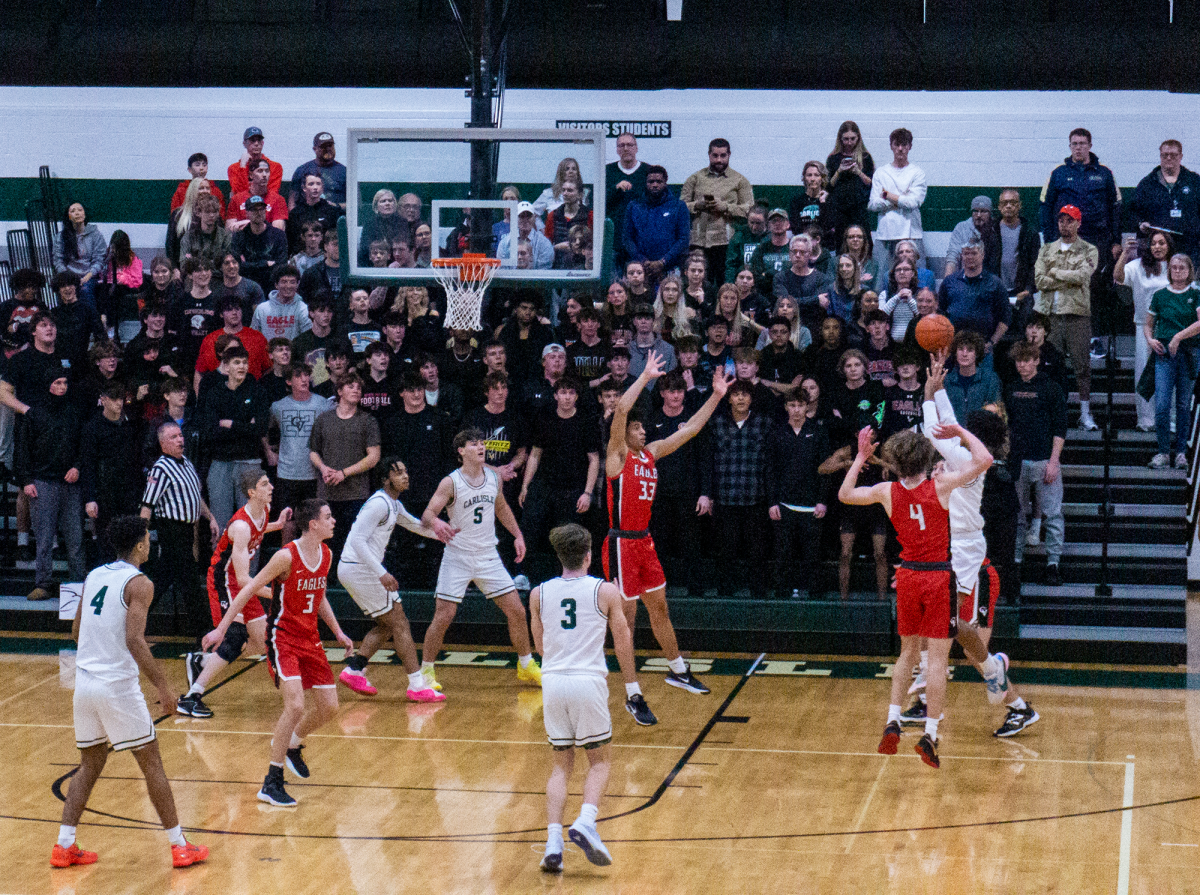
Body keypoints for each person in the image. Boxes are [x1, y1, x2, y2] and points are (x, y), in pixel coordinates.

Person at [56, 515, 208, 869]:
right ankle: (179, 845)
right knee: (151, 762)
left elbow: (77, 631)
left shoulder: (94, 575)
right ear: (140, 545)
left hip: (84, 684)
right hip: (116, 687)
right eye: (147, 539)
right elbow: (134, 640)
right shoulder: (140, 583)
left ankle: (64, 845)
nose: (150, 543)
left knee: (90, 763)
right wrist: (164, 687)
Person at [841, 423, 993, 769]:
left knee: (907, 654)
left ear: (895, 464)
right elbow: (985, 459)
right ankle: (930, 734)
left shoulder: (886, 491)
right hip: (938, 576)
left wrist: (861, 457)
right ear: (927, 459)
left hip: (907, 576)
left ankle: (893, 719)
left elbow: (845, 494)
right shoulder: (940, 486)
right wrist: (959, 430)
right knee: (937, 660)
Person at [908, 353, 1040, 737]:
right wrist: (939, 389)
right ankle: (1011, 700)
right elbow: (947, 425)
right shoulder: (967, 452)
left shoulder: (965, 456)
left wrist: (929, 394)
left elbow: (937, 429)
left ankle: (931, 702)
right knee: (960, 631)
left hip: (962, 549)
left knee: (944, 630)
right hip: (952, 547)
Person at [204, 499, 353, 807]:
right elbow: (247, 588)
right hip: (282, 637)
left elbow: (319, 595)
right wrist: (222, 629)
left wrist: (337, 631)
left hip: (310, 637)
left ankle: (293, 744)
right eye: (328, 516)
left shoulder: (325, 554)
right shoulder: (286, 556)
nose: (334, 521)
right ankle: (272, 781)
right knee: (296, 706)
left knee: (329, 707)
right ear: (313, 524)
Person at [604, 352, 729, 715]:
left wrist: (716, 396)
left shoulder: (651, 455)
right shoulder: (618, 456)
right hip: (621, 542)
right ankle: (632, 693)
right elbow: (621, 411)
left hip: (644, 540)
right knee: (626, 620)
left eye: (644, 429)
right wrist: (644, 376)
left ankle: (678, 670)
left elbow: (690, 429)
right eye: (638, 429)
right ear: (625, 434)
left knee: (659, 607)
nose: (645, 431)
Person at [531, 522, 639, 873]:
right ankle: (586, 821)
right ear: (589, 556)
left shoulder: (538, 593)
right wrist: (631, 686)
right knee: (600, 762)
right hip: (587, 681)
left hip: (552, 682)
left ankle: (553, 843)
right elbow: (623, 640)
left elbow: (540, 646)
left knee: (561, 765)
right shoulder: (606, 591)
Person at [419, 429, 543, 693]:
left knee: (517, 611)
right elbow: (427, 514)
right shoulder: (450, 482)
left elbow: (501, 508)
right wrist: (437, 521)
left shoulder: (493, 477)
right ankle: (426, 671)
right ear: (461, 451)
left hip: (488, 555)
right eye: (473, 444)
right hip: (458, 555)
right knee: (444, 615)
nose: (480, 447)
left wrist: (518, 534)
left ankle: (525, 664)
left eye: (482, 443)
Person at [178, 471, 290, 718]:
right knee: (236, 637)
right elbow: (242, 580)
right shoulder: (240, 526)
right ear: (251, 492)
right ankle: (191, 697)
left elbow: (257, 531)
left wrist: (278, 525)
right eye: (264, 484)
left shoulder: (264, 510)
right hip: (224, 582)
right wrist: (277, 594)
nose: (270, 486)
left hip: (241, 582)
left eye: (269, 482)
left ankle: (203, 663)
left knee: (262, 642)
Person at [336, 457, 449, 702]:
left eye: (406, 471)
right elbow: (357, 540)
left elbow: (414, 525)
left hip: (357, 569)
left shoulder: (392, 505)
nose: (405, 476)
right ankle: (417, 686)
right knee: (400, 622)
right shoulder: (379, 504)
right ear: (386, 479)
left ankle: (355, 668)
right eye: (398, 473)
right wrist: (381, 573)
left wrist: (444, 535)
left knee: (387, 624)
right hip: (359, 568)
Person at [140, 422, 220, 635]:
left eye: (180, 435)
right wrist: (141, 535)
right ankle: (203, 632)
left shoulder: (186, 462)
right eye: (174, 437)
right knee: (190, 581)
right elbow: (147, 503)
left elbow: (196, 496)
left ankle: (132, 619)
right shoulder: (160, 468)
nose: (180, 440)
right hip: (172, 529)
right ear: (163, 443)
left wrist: (210, 517)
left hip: (188, 530)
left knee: (162, 579)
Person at [15, 374, 85, 601]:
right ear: (48, 385)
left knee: (75, 538)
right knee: (44, 539)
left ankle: (78, 585)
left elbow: (83, 445)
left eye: (65, 382)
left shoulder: (74, 412)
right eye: (57, 382)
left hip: (69, 482)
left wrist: (77, 466)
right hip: (43, 481)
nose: (62, 387)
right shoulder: (34, 413)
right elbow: (23, 448)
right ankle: (43, 583)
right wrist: (26, 480)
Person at [1007, 340, 1069, 586]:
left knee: (1053, 514)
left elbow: (1060, 428)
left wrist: (1054, 461)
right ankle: (1016, 562)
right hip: (1018, 461)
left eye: (1026, 360)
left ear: (1036, 361)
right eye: (1018, 361)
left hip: (1044, 459)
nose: (1022, 365)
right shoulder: (1010, 389)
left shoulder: (1051, 389)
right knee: (1018, 515)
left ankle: (1053, 564)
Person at [1034, 204, 1100, 430]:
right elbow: (1039, 281)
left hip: (1077, 315)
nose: (1065, 224)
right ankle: (1052, 413)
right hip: (1050, 316)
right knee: (1050, 365)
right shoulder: (1046, 250)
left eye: (1070, 220)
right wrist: (1066, 278)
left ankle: (1084, 413)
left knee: (1082, 366)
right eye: (1061, 220)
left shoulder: (1089, 250)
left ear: (1078, 223)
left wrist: (1055, 273)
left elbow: (1083, 276)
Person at [308, 370, 381, 560]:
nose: (356, 390)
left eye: (359, 388)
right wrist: (323, 468)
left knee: (354, 543)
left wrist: (344, 473)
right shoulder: (324, 419)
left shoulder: (368, 421)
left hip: (356, 493)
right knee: (326, 544)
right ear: (340, 391)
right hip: (327, 493)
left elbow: (373, 457)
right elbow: (313, 451)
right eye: (351, 386)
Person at [766, 387, 829, 599]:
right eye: (792, 405)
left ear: (807, 406)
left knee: (813, 554)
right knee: (783, 553)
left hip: (812, 504)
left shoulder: (819, 431)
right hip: (784, 504)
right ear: (785, 407)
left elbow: (826, 469)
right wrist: (772, 501)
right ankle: (782, 594)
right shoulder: (776, 432)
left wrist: (822, 500)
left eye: (800, 405)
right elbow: (770, 469)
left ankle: (816, 595)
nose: (796, 410)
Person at [1144, 253, 1200, 470]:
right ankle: (1163, 452)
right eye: (1174, 267)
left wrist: (1178, 336)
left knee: (1184, 405)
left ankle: (1181, 453)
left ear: (1189, 271)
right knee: (1162, 405)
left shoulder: (1195, 294)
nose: (1177, 271)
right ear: (1169, 270)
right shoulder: (1160, 295)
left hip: (1189, 353)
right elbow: (1148, 324)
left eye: (1182, 268)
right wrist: (1150, 339)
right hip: (1164, 354)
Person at [1115, 230, 1173, 431]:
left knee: (1171, 374)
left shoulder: (1176, 265)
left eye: (1162, 243)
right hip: (1143, 326)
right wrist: (1125, 254)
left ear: (1169, 245)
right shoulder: (1138, 265)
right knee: (1143, 375)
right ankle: (1146, 420)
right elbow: (1118, 276)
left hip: (1171, 329)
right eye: (1154, 243)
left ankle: (1170, 421)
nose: (1157, 247)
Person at [680, 138, 755, 286]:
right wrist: (698, 205)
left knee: (724, 285)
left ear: (729, 155)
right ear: (709, 155)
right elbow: (680, 207)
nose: (719, 160)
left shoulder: (740, 180)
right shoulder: (695, 178)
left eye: (723, 155)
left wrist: (726, 207)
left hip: (727, 242)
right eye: (715, 155)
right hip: (698, 242)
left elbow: (750, 210)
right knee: (697, 285)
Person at [937, 238, 1011, 372]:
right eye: (966, 253)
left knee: (982, 389)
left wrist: (992, 342)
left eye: (974, 253)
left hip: (983, 350)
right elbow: (940, 315)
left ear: (982, 255)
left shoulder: (995, 283)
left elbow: (1005, 318)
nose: (969, 257)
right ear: (961, 256)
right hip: (954, 350)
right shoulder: (949, 282)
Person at [1125, 139, 1200, 263]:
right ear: (1160, 156)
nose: (1169, 158)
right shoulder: (1147, 183)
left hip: (1189, 246)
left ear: (1181, 156)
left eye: (1173, 155)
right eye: (1165, 155)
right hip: (1157, 248)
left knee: (1185, 281)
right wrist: (1140, 224)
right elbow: (1133, 212)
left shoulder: (1194, 181)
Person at [868, 128, 927, 270]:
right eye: (897, 145)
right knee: (880, 283)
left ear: (910, 147)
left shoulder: (917, 173)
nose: (900, 149)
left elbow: (913, 202)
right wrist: (901, 199)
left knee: (915, 279)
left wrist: (887, 195)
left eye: (904, 145)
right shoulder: (881, 173)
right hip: (884, 236)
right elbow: (872, 204)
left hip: (911, 234)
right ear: (891, 146)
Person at [621, 165, 691, 284]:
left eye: (659, 181)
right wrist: (642, 261)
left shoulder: (678, 206)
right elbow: (627, 238)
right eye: (651, 181)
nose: (655, 185)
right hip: (640, 269)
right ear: (646, 183)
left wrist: (663, 261)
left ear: (665, 183)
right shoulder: (634, 206)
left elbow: (683, 239)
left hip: (670, 267)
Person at [825, 121, 875, 250]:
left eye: (852, 139)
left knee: (864, 244)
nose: (849, 142)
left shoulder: (865, 157)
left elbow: (871, 183)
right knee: (841, 245)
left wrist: (858, 172)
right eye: (846, 139)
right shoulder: (833, 158)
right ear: (840, 139)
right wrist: (839, 171)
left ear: (858, 138)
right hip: (839, 209)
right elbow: (828, 186)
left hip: (859, 208)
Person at [52, 202, 107, 309]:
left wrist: (87, 276)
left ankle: (90, 321)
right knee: (67, 291)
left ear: (85, 214)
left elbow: (99, 260)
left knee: (85, 290)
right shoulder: (61, 237)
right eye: (73, 211)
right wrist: (68, 278)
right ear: (68, 217)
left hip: (88, 276)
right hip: (68, 277)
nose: (77, 213)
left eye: (80, 210)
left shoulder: (95, 234)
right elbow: (58, 261)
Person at [231, 195, 289, 292]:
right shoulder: (239, 236)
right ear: (247, 213)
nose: (259, 213)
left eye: (262, 209)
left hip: (271, 285)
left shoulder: (278, 235)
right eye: (254, 210)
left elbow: (281, 265)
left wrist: (249, 265)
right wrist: (265, 264)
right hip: (246, 285)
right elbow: (238, 266)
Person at [289, 131, 347, 209]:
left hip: (335, 218)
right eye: (323, 147)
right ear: (314, 149)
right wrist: (294, 217)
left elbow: (356, 204)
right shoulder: (302, 170)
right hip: (307, 218)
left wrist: (336, 206)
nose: (328, 149)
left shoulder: (345, 172)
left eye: (330, 146)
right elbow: (292, 201)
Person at [227, 158, 288, 233]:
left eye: (267, 171)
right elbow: (229, 230)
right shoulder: (236, 199)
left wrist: (245, 223)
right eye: (260, 171)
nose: (264, 175)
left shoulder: (278, 200)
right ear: (251, 175)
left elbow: (278, 230)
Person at [606, 131, 648, 236]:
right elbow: (597, 201)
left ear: (636, 148)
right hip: (614, 234)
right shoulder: (606, 171)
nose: (625, 148)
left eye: (629, 145)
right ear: (617, 149)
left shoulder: (648, 171)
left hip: (642, 232)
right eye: (621, 145)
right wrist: (616, 188)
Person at [943, 196, 997, 277]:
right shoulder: (962, 227)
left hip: (990, 278)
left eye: (983, 211)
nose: (978, 215)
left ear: (990, 213)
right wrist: (947, 278)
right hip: (966, 278)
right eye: (975, 211)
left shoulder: (996, 228)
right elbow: (953, 254)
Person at [286, 173, 340, 254]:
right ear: (304, 187)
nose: (315, 187)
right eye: (311, 184)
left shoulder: (332, 212)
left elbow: (335, 239)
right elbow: (291, 240)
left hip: (326, 259)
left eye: (318, 184)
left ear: (322, 188)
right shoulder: (295, 213)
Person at [497, 202, 554, 269]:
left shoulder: (545, 244)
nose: (525, 220)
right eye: (521, 216)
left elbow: (544, 272)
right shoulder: (505, 243)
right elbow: (502, 270)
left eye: (529, 216)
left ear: (534, 218)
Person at [170, 152, 227, 216]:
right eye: (197, 165)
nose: (201, 168)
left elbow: (221, 215)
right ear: (189, 169)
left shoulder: (216, 191)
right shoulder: (181, 191)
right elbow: (175, 216)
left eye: (204, 165)